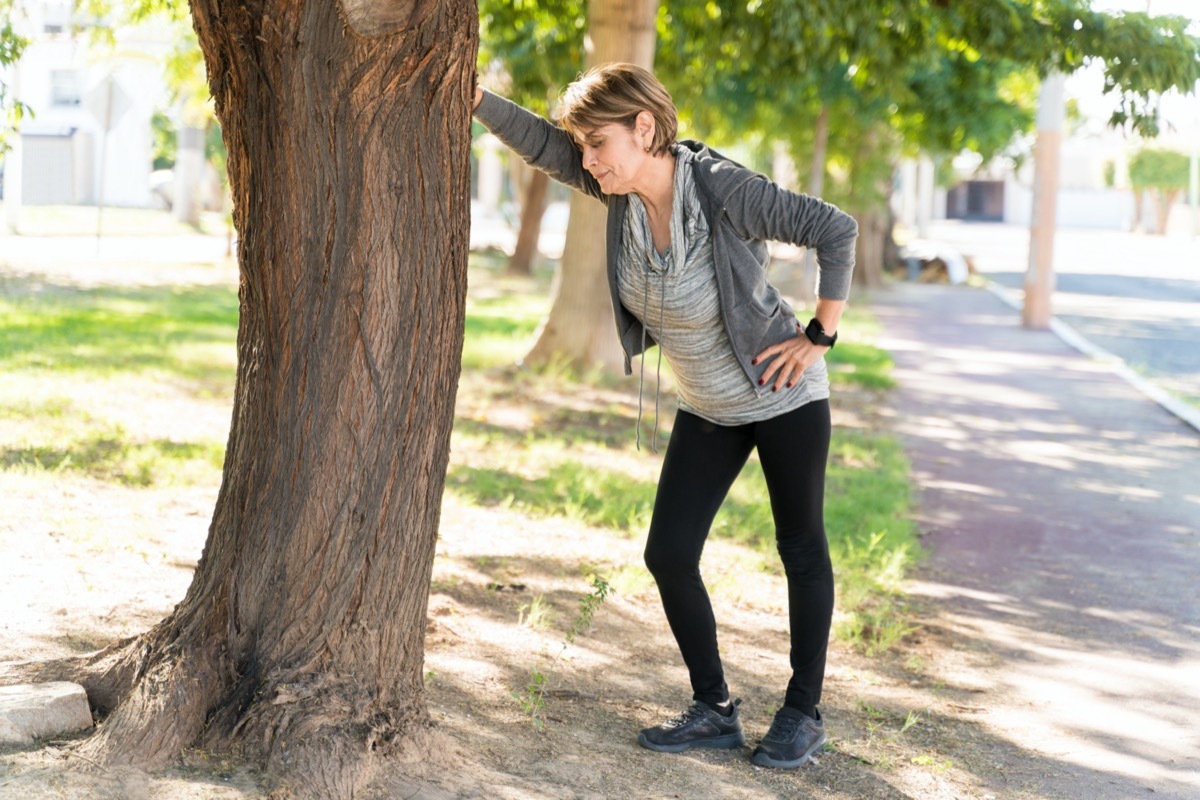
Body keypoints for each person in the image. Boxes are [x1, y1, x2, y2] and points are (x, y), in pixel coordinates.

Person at [471, 63, 856, 770]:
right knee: (669, 553)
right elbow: (542, 144)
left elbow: (834, 228)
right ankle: (714, 709)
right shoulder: (614, 186)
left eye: (597, 142)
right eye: (583, 147)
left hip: (782, 395)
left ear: (644, 128)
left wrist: (818, 335)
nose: (588, 159)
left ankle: (803, 712)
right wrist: (474, 97)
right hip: (709, 405)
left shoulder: (720, 189)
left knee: (800, 546)